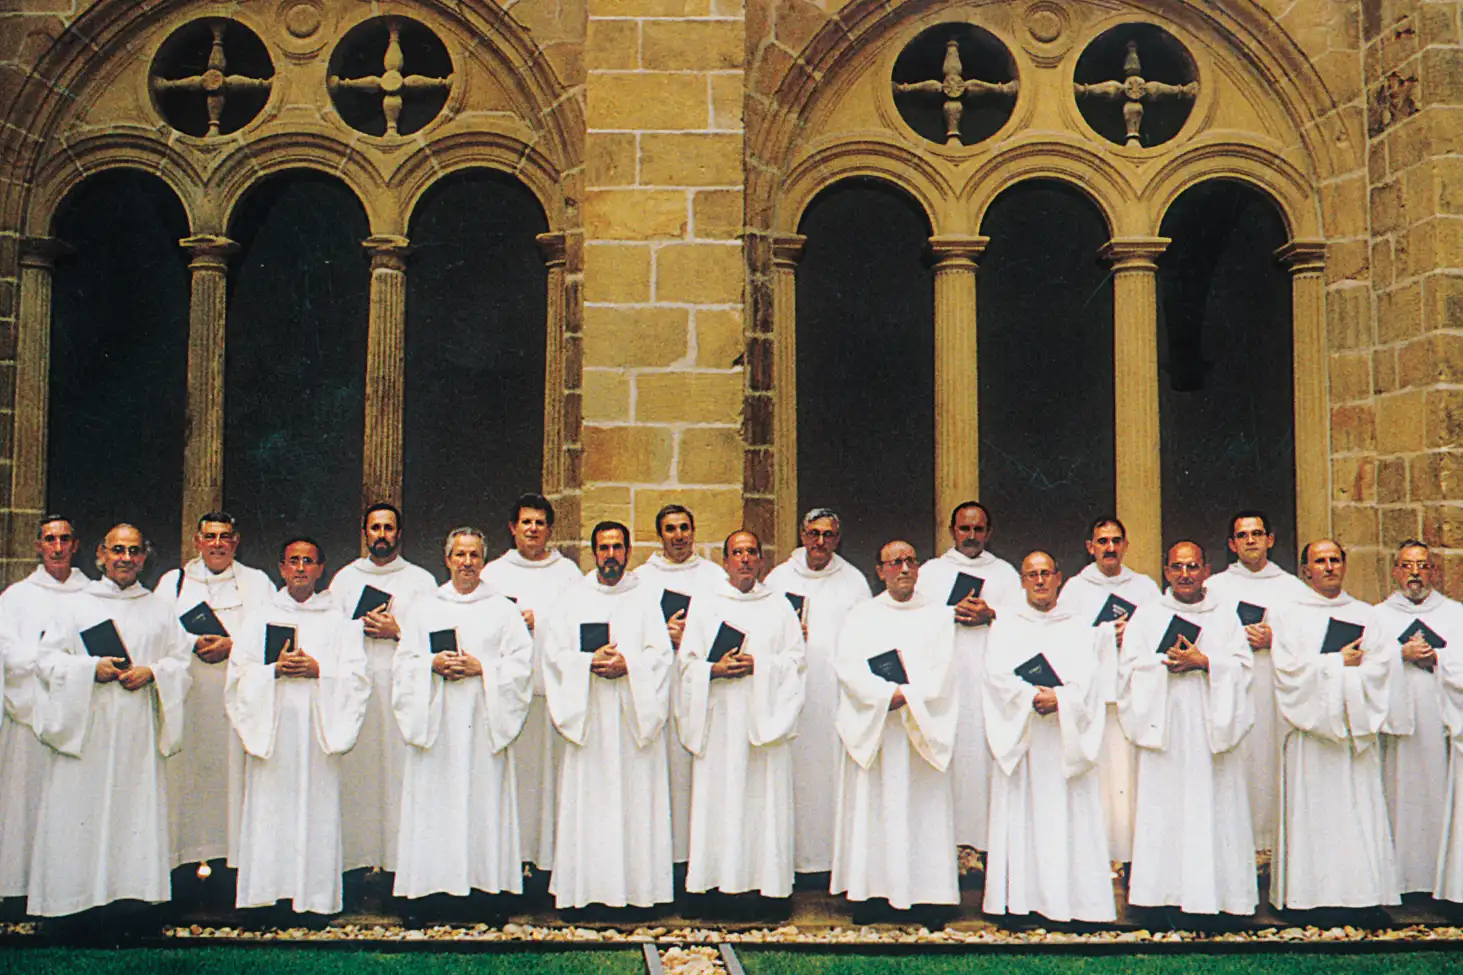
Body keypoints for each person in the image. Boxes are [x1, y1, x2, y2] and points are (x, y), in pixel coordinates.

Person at [27, 524, 193, 922]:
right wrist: (90, 669)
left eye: (134, 551)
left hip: (136, 731)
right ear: (101, 554)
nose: (125, 558)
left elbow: (180, 662)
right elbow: (45, 660)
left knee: (131, 813)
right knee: (79, 813)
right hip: (88, 728)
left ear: (144, 557)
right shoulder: (76, 605)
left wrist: (153, 672)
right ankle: (73, 910)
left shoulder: (159, 609)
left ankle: (131, 908)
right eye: (118, 550)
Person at [392, 528, 533, 918]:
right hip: (437, 723)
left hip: (481, 722)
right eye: (460, 554)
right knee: (434, 803)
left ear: (483, 561)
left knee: (481, 801)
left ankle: (486, 892)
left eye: (474, 555)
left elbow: (521, 665)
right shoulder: (425, 608)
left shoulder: (502, 609)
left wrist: (482, 668)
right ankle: (427, 893)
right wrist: (431, 663)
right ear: (447, 559)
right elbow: (404, 662)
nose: (467, 562)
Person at [227, 538, 370, 918]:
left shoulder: (339, 621)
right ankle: (265, 899)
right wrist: (273, 670)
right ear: (282, 568)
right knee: (270, 812)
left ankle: (315, 900)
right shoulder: (260, 617)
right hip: (273, 732)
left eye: (309, 561)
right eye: (293, 561)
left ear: (321, 569)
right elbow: (239, 674)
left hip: (317, 732)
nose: (301, 568)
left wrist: (319, 670)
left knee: (315, 811)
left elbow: (358, 678)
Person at [1117, 541, 1256, 916]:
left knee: (1212, 805)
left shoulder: (1224, 615)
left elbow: (1244, 669)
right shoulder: (1148, 615)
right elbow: (1128, 669)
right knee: (1164, 807)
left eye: (1192, 566)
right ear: (1166, 572)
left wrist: (1205, 661)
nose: (1185, 574)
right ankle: (1158, 897)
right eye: (1177, 567)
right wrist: (1165, 662)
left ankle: (1219, 896)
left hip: (1210, 728)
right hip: (1165, 727)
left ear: (1206, 570)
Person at [544, 522, 674, 911]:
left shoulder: (645, 598)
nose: (611, 555)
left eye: (618, 547)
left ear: (628, 551)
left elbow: (661, 655)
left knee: (635, 803)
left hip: (633, 719)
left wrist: (628, 664)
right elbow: (555, 654)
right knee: (591, 804)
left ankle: (639, 893)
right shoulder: (573, 598)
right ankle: (586, 893)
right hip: (590, 717)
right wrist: (588, 661)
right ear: (594, 552)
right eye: (604, 548)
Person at [829, 540, 958, 919]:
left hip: (920, 730)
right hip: (879, 728)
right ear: (880, 570)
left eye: (910, 561)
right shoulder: (861, 615)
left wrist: (910, 696)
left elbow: (944, 670)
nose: (904, 569)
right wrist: (885, 695)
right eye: (895, 562)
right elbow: (848, 667)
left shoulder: (938, 616)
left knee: (922, 809)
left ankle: (929, 896)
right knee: (875, 808)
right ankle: (871, 894)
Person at [1268, 539, 1400, 911]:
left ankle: (1361, 896)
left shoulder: (1367, 615)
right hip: (1312, 736)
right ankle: (1309, 898)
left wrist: (1347, 670)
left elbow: (1381, 669)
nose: (1329, 567)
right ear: (1305, 570)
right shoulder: (1288, 615)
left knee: (1355, 812)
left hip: (1351, 731)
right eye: (1320, 561)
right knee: (1314, 814)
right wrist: (1335, 663)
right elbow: (1287, 671)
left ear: (1344, 565)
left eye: (1335, 560)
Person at [678, 531, 806, 910]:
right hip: (720, 719)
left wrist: (759, 665)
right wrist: (713, 670)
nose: (745, 559)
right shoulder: (706, 604)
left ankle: (767, 891)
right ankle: (711, 888)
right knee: (718, 801)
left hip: (763, 722)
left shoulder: (779, 606)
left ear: (761, 561)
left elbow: (797, 661)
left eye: (752, 552)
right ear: (725, 561)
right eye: (738, 553)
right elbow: (686, 664)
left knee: (762, 803)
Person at [983, 551, 1113, 923]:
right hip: (1025, 735)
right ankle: (1020, 904)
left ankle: (1075, 905)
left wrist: (1062, 699)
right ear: (1022, 581)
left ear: (1058, 578)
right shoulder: (1006, 625)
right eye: (1032, 574)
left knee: (1068, 818)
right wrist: (1028, 697)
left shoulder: (1078, 626)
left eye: (1046, 573)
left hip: (1063, 738)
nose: (1039, 581)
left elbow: (1090, 681)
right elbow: (995, 676)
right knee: (1023, 816)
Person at [155, 512, 273, 892]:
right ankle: (182, 870)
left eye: (225, 537)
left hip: (235, 702)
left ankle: (230, 870)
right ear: (197, 541)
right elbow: (157, 633)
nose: (217, 544)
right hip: (189, 699)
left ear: (236, 541)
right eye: (210, 536)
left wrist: (232, 645)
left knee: (231, 782)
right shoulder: (173, 583)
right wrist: (193, 642)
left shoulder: (257, 582)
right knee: (186, 781)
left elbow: (271, 634)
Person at [328, 502, 437, 877]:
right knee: (359, 773)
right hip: (357, 689)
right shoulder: (345, 580)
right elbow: (330, 633)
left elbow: (434, 636)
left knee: (400, 773)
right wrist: (356, 627)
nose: (382, 535)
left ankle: (400, 865)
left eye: (389, 528)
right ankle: (356, 863)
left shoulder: (420, 581)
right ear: (365, 533)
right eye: (375, 528)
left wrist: (398, 631)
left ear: (399, 534)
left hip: (402, 689)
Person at [764, 507, 871, 878]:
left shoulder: (854, 582)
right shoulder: (779, 579)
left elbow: (865, 639)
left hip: (835, 695)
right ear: (802, 535)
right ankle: (789, 861)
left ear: (837, 539)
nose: (820, 542)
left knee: (830, 777)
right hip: (792, 693)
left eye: (828, 535)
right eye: (813, 534)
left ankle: (832, 863)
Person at [481, 493, 583, 872]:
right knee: (515, 779)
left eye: (540, 523)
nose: (533, 529)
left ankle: (550, 861)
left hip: (553, 694)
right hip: (510, 696)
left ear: (550, 529)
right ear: (513, 528)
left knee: (550, 782)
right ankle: (513, 858)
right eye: (526, 522)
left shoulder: (568, 574)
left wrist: (543, 622)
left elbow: (579, 622)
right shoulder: (493, 574)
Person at [912, 501, 1019, 856]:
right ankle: (949, 850)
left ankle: (988, 849)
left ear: (989, 532)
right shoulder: (930, 573)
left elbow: (1024, 622)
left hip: (989, 682)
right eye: (964, 529)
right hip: (948, 681)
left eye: (978, 529)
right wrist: (949, 613)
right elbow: (915, 621)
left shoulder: (1005, 574)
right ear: (952, 531)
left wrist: (993, 614)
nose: (971, 536)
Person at [1055, 516, 1161, 867]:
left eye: (1116, 541)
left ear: (1126, 545)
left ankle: (1132, 858)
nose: (1110, 548)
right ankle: (1095, 855)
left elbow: (1159, 633)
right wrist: (1102, 634)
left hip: (1133, 694)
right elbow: (1064, 637)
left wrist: (1134, 634)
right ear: (1090, 547)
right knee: (1099, 779)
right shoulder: (1074, 589)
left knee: (1129, 781)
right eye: (1102, 541)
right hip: (1094, 697)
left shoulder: (1144, 587)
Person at [1203, 510, 1311, 857]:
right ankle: (1235, 849)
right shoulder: (1214, 588)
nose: (1250, 540)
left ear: (1270, 539)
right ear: (1232, 544)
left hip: (1274, 689)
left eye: (1257, 533)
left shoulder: (1292, 588)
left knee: (1270, 763)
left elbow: (1309, 639)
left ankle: (1271, 849)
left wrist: (1274, 640)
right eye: (1243, 535)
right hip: (1231, 688)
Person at [631, 504, 726, 866]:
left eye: (684, 527)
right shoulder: (641, 579)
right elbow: (630, 629)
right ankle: (662, 858)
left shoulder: (714, 576)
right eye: (670, 529)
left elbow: (729, 622)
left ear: (694, 531)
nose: (679, 535)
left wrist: (696, 637)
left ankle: (699, 860)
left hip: (701, 685)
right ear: (660, 535)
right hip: (659, 682)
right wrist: (662, 632)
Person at [0, 515, 87, 904]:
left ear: (75, 546)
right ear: (38, 545)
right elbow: (6, 651)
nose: (57, 547)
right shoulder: (16, 597)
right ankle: (18, 887)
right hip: (30, 712)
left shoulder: (91, 595)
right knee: (25, 800)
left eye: (64, 540)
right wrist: (45, 663)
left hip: (76, 711)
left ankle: (68, 887)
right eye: (50, 539)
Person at [1373, 540, 1459, 895]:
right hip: (1398, 726)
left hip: (1441, 720)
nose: (1415, 574)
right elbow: (1366, 663)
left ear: (1434, 572)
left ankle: (1442, 880)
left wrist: (1437, 659)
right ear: (1395, 571)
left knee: (1440, 795)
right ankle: (1402, 880)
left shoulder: (1455, 614)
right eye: (1407, 566)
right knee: (1398, 794)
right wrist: (1399, 654)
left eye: (1422, 566)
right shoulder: (1378, 616)